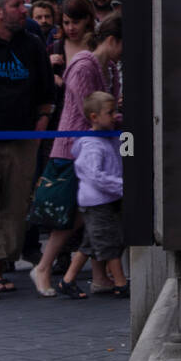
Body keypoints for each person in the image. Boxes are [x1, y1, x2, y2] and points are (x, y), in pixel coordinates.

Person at [30, 12, 122, 297]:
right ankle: (44, 267)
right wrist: (114, 119)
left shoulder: (109, 68)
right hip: (74, 149)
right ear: (111, 40)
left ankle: (99, 276)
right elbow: (87, 116)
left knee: (92, 214)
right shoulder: (85, 66)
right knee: (72, 216)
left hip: (91, 147)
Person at [0, 0, 56, 294]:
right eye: (17, 4)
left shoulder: (32, 45)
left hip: (22, 140)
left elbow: (47, 92)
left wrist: (40, 129)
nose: (24, 10)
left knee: (15, 206)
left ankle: (3, 262)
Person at [57, 91, 127, 298]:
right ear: (94, 117)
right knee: (109, 243)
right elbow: (96, 175)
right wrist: (122, 186)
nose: (114, 116)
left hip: (105, 199)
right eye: (110, 112)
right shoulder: (92, 144)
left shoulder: (107, 135)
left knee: (89, 243)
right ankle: (121, 283)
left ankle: (67, 280)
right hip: (98, 202)